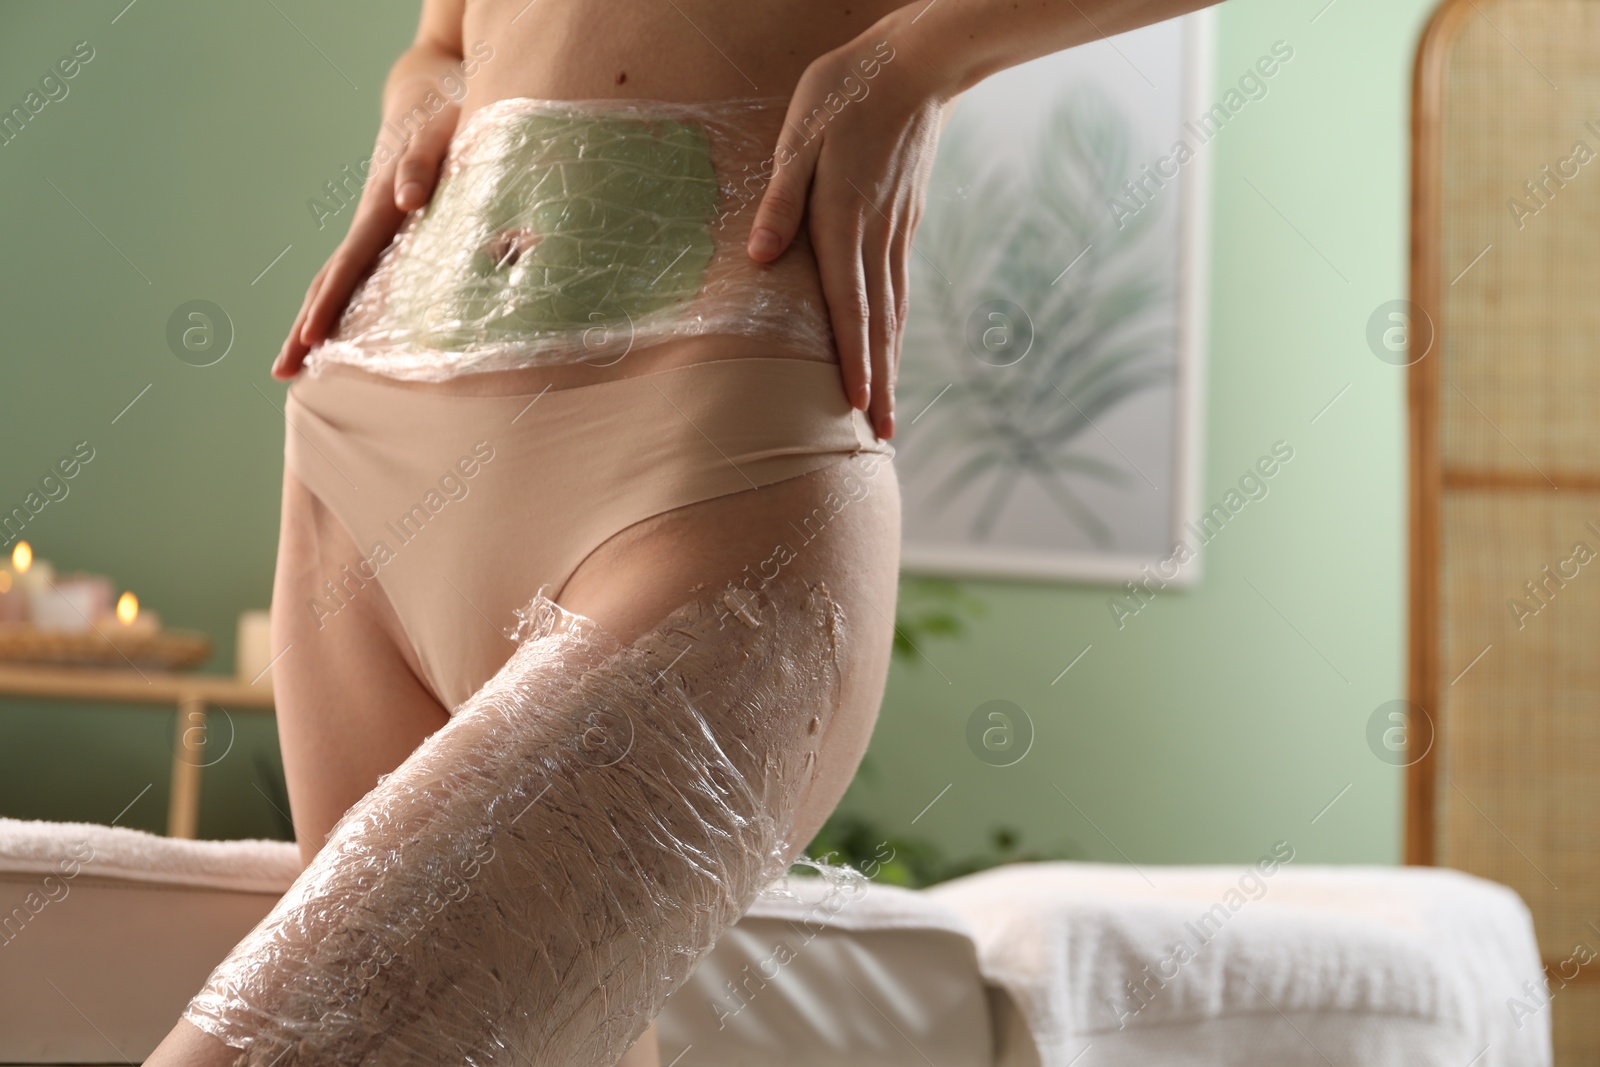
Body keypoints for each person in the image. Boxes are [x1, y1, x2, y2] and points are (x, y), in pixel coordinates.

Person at [144, 1, 1214, 1064]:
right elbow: (443, 36)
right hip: (358, 464)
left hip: (696, 466)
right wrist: (422, 93)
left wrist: (924, 52)